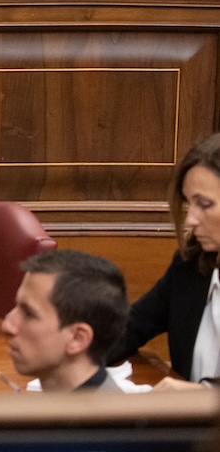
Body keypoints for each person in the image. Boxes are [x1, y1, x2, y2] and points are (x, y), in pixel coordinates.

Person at [110, 132, 220, 390]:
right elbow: (131, 325)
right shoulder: (190, 266)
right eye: (188, 203)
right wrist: (69, 355)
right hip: (189, 430)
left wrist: (204, 397)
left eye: (204, 204)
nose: (191, 219)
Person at [1, 249, 129, 392]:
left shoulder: (104, 414)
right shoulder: (65, 409)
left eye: (29, 314)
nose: (7, 326)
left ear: (77, 338)